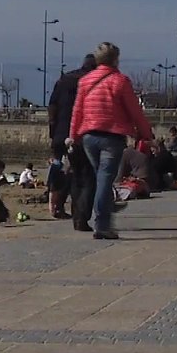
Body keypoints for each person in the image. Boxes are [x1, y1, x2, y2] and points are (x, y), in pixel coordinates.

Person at [69, 42, 153, 240]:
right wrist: (146, 134)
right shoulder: (120, 81)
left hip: (89, 136)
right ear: (115, 59)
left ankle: (105, 213)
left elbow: (77, 111)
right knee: (105, 179)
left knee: (101, 178)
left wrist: (73, 135)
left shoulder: (85, 81)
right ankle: (103, 224)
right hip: (111, 136)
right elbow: (135, 111)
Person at [50, 54, 97, 232]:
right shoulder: (91, 81)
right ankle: (80, 216)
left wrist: (53, 134)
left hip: (60, 134)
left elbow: (52, 107)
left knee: (64, 172)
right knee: (85, 176)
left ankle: (58, 206)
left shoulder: (64, 79)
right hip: (81, 133)